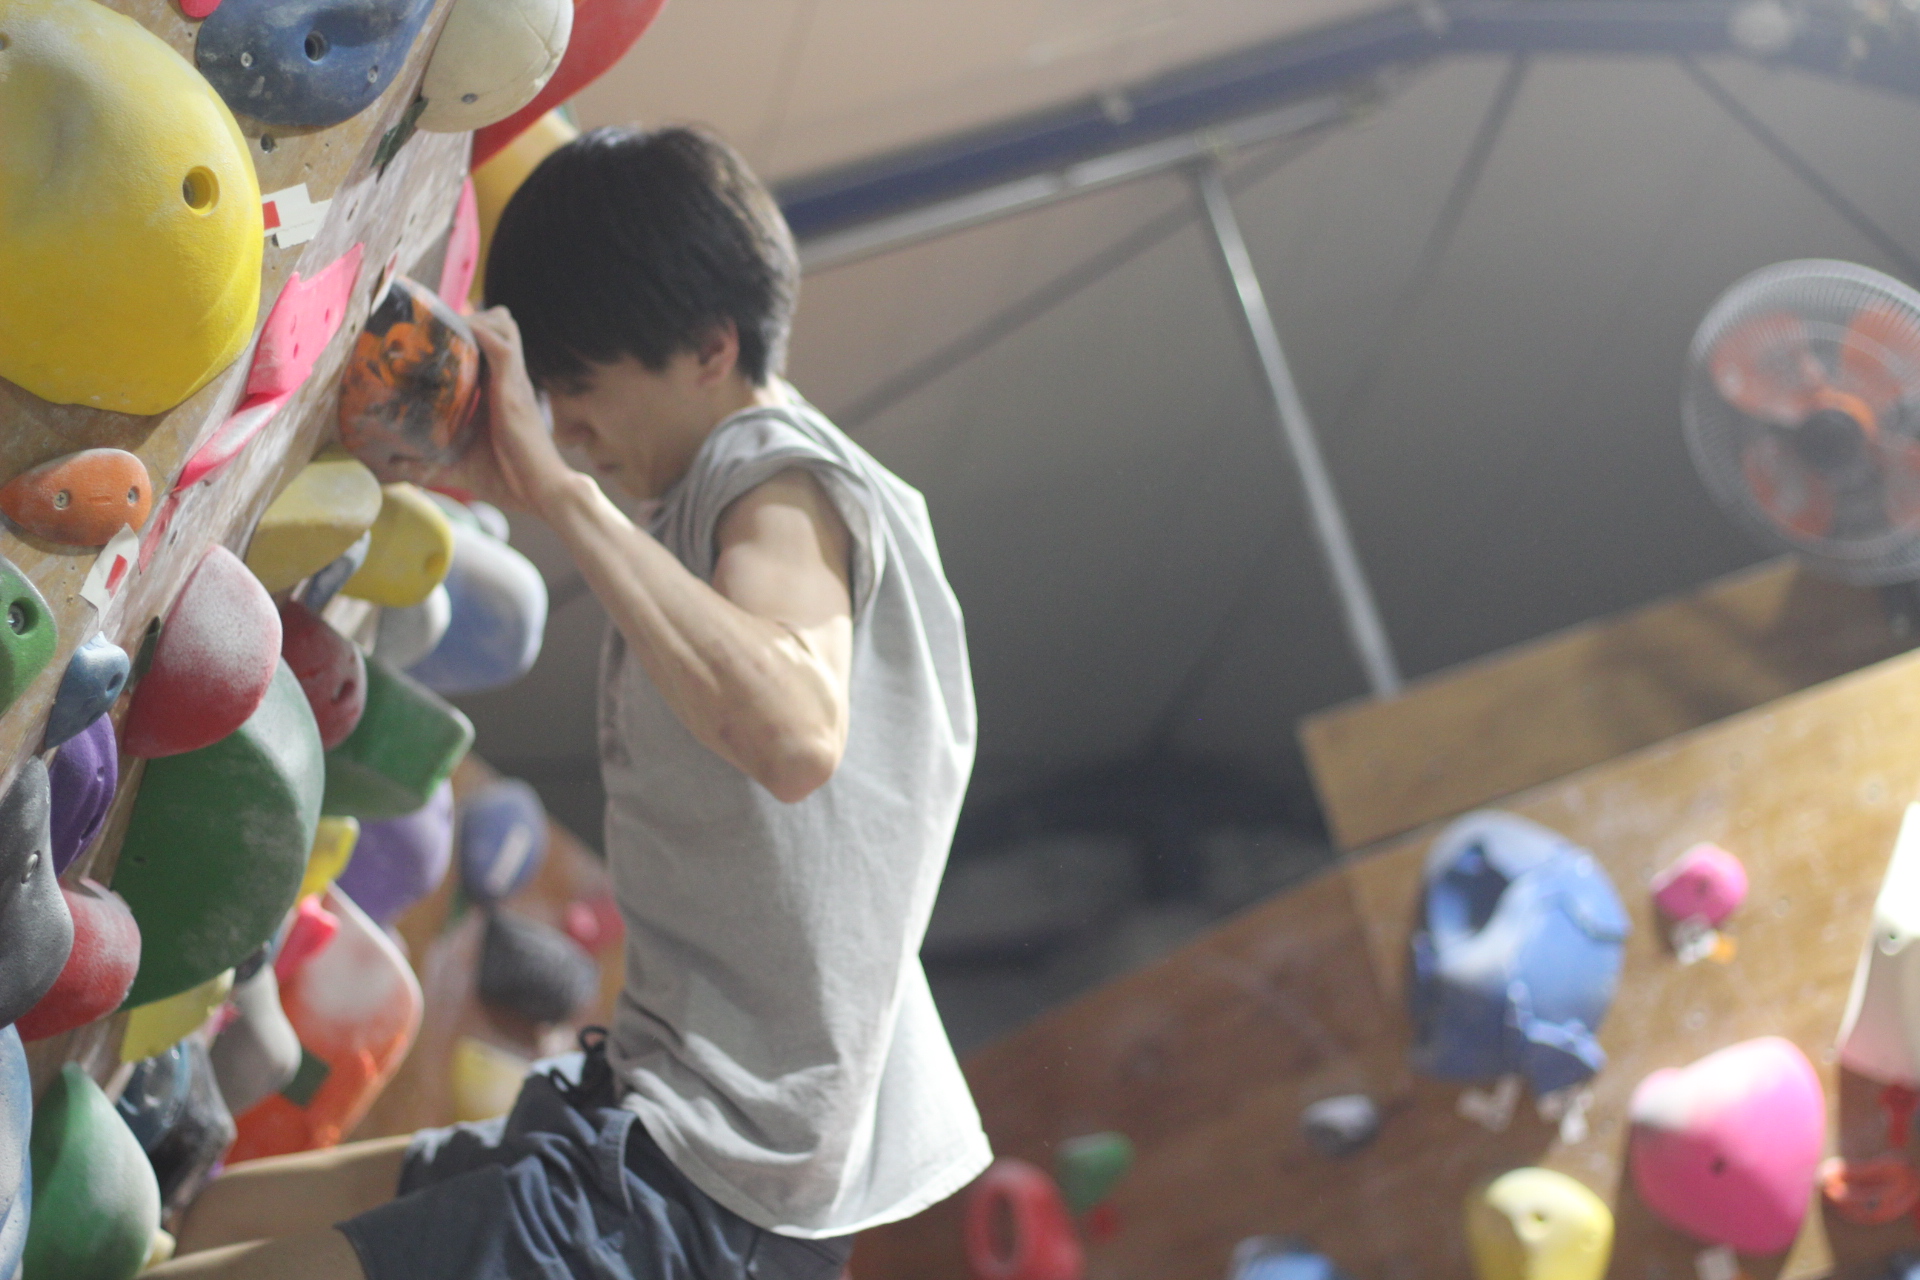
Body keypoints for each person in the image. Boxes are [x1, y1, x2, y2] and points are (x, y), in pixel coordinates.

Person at [152, 125, 989, 1280]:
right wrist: (538, 486)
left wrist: (560, 493)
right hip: (655, 1125)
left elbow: (794, 732)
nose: (572, 429)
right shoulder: (708, 509)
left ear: (712, 347)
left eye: (582, 392)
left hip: (712, 1203)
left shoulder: (777, 476)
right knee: (212, 1216)